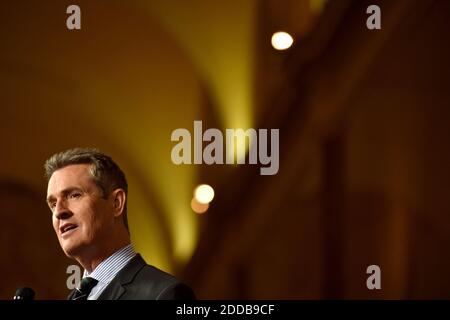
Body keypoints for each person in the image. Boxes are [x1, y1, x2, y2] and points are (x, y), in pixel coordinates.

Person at [44, 147, 195, 300]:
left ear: (116, 203)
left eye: (74, 195)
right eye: (53, 204)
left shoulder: (165, 294)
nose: (59, 212)